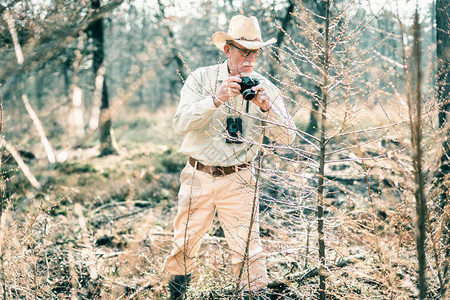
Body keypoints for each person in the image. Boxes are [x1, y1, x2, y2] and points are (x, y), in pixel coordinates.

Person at [163, 15, 296, 299]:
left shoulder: (265, 88)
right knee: (183, 246)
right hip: (197, 175)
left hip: (240, 179)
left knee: (248, 252)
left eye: (255, 52)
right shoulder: (201, 79)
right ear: (227, 50)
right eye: (244, 50)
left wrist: (266, 108)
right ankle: (176, 296)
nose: (250, 57)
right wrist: (215, 100)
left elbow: (288, 139)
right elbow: (180, 124)